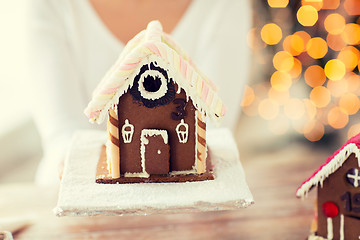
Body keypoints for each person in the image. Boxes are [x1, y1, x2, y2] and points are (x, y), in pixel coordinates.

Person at [27, 0, 251, 185]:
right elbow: (63, 136)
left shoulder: (224, 5)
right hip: (70, 203)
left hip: (191, 214)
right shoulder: (51, 5)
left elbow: (213, 128)